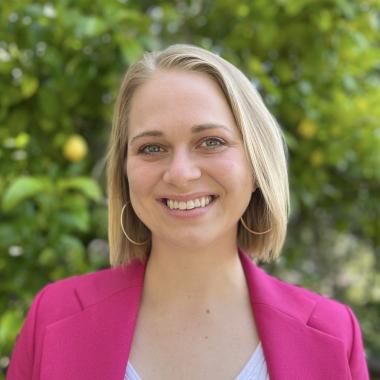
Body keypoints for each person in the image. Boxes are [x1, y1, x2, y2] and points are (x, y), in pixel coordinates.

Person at [6, 44, 369, 380]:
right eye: (152, 148)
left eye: (211, 142)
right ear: (125, 171)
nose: (180, 173)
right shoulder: (53, 317)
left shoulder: (333, 333)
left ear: (257, 166)